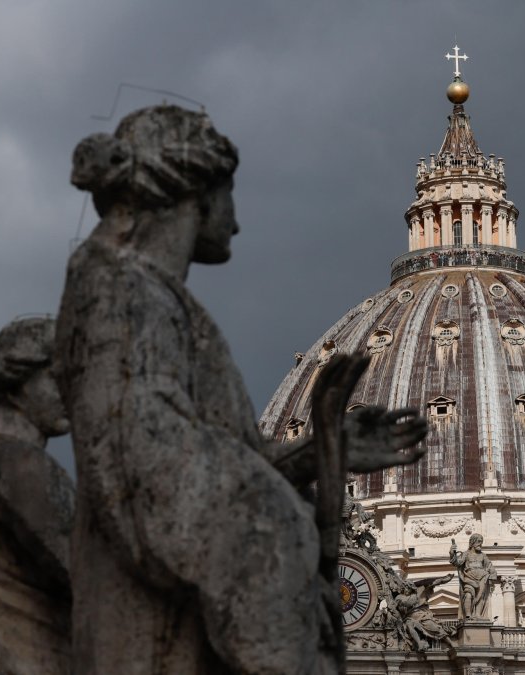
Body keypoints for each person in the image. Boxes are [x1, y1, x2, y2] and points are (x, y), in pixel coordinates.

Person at [56, 105, 425, 674]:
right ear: (194, 193)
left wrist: (323, 447)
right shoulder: (122, 291)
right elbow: (150, 466)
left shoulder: (154, 296)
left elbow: (195, 453)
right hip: (163, 615)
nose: (236, 222)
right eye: (229, 196)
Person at [0, 317, 74, 674]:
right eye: (57, 378)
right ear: (16, 380)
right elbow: (78, 568)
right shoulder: (14, 460)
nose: (69, 393)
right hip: (30, 652)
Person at [450, 534, 497, 621]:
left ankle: (478, 615)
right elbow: (457, 563)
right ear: (472, 542)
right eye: (479, 542)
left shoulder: (483, 555)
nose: (480, 544)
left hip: (482, 577)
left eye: (481, 542)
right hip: (469, 577)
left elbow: (490, 566)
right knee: (468, 594)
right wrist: (452, 553)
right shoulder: (466, 554)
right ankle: (468, 615)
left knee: (480, 597)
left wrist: (493, 574)